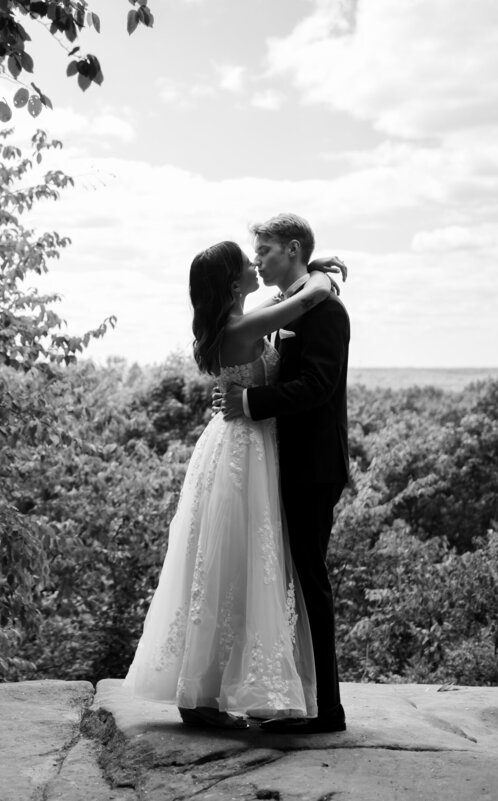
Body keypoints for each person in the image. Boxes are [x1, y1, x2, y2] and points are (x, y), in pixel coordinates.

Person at [122, 236, 345, 729]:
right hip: (245, 447)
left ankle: (202, 690)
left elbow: (278, 303)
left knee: (224, 566)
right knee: (237, 564)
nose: (255, 263)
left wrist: (306, 268)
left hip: (239, 442)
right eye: (248, 261)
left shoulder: (236, 323)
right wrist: (319, 275)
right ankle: (207, 692)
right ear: (231, 282)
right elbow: (306, 300)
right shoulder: (243, 328)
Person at [221, 213, 351, 734]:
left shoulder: (328, 313)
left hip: (313, 466)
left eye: (266, 250)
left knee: (310, 581)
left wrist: (249, 400)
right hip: (282, 460)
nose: (258, 259)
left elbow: (317, 386)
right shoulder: (296, 299)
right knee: (289, 581)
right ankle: (301, 697)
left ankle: (327, 712)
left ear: (293, 248)